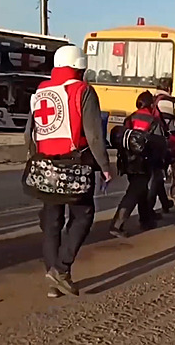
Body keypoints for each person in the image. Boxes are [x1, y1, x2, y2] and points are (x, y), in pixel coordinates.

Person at [24, 45, 111, 297]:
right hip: (75, 166)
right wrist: (105, 166)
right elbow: (94, 135)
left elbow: (30, 131)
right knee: (83, 215)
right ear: (79, 67)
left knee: (51, 222)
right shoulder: (83, 91)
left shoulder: (41, 90)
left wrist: (33, 158)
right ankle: (61, 269)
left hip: (44, 164)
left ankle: (54, 276)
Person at [110, 91, 165, 238]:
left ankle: (146, 219)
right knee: (135, 191)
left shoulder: (130, 118)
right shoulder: (153, 120)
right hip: (144, 162)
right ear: (151, 104)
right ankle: (117, 224)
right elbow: (159, 143)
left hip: (128, 161)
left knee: (140, 189)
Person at [148, 78, 175, 215]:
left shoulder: (150, 99)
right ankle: (149, 208)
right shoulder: (172, 101)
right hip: (162, 140)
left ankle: (165, 203)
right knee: (158, 174)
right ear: (169, 88)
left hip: (147, 140)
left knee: (156, 173)